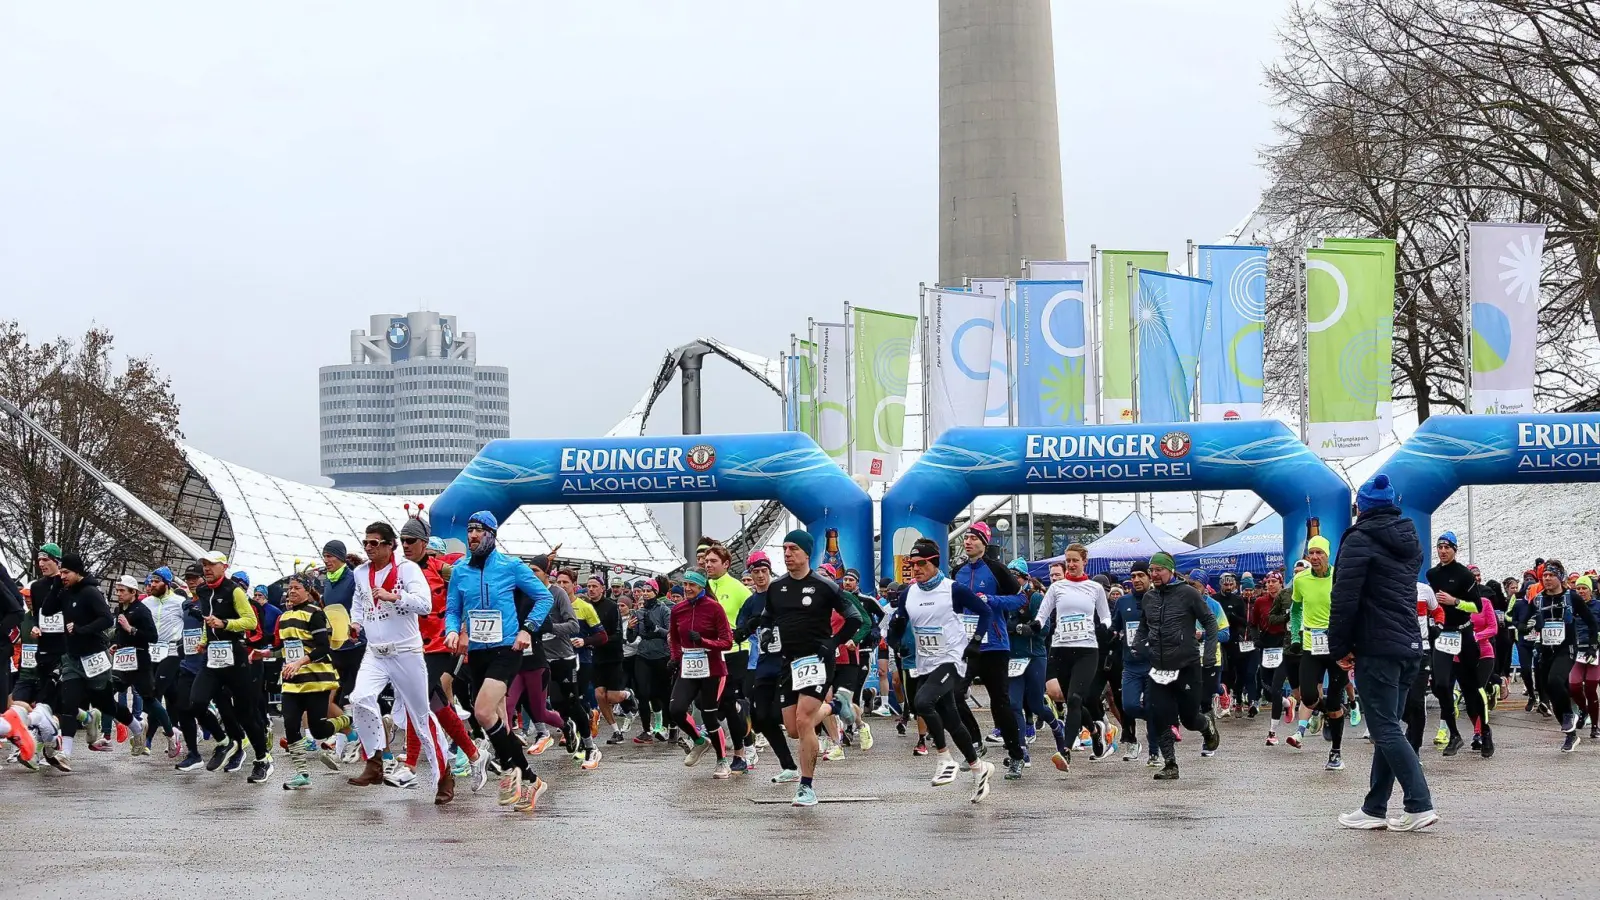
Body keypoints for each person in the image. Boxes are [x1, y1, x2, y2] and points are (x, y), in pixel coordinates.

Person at [1329, 473, 1438, 832]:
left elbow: (1345, 597)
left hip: (1376, 646)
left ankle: (1419, 804)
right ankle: (1374, 808)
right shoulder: (1410, 539)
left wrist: (1339, 646)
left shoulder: (1359, 539)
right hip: (1409, 644)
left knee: (1386, 729)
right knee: (1388, 727)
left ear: (1360, 507)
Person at [445, 511, 557, 812]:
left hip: (507, 649)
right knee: (499, 722)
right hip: (478, 653)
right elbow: (453, 609)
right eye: (469, 530)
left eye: (479, 530)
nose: (472, 535)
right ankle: (532, 780)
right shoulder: (460, 571)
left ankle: (509, 771)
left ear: (492, 535)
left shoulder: (511, 566)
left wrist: (527, 629)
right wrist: (453, 631)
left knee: (482, 712)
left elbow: (544, 598)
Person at [342, 521, 454, 802]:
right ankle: (375, 761)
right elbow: (359, 601)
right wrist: (356, 622)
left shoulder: (407, 569)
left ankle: (444, 775)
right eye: (366, 542)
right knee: (359, 698)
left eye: (375, 543)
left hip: (405, 652)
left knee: (421, 716)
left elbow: (425, 604)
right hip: (375, 652)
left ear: (390, 545)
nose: (368, 548)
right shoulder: (360, 572)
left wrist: (396, 596)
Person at [885, 537, 996, 803]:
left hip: (951, 660)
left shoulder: (952, 589)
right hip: (926, 663)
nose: (916, 569)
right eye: (912, 565)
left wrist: (976, 643)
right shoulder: (909, 593)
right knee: (951, 718)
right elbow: (896, 627)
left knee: (923, 702)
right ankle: (979, 768)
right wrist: (896, 637)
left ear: (934, 563)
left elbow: (985, 612)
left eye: (922, 563)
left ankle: (945, 759)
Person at [758, 529, 863, 806]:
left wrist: (835, 642)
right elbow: (767, 617)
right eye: (785, 548)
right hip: (788, 663)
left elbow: (855, 618)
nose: (788, 554)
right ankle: (836, 707)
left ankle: (806, 787)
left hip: (816, 661)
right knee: (793, 729)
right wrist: (767, 633)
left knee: (805, 720)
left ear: (807, 553)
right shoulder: (776, 587)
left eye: (793, 548)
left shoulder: (824, 586)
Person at [1022, 544, 1109, 775]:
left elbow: (1106, 615)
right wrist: (1035, 625)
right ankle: (1094, 729)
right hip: (1060, 649)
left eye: (1075, 561)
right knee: (1063, 697)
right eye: (1068, 560)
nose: (1071, 564)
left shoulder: (1095, 588)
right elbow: (1043, 614)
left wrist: (1106, 627)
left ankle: (1066, 750)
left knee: (1074, 698)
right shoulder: (1057, 587)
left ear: (1084, 562)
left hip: (1087, 650)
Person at [1133, 552, 1220, 780]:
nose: (1154, 575)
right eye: (1152, 571)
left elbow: (1210, 623)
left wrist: (1209, 654)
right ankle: (1170, 764)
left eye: (1158, 570)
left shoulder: (1188, 593)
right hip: (1159, 668)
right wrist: (1138, 645)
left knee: (1190, 719)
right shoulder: (1149, 597)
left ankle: (1206, 725)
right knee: (1159, 714)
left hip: (1186, 665)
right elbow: (1144, 626)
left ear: (1170, 570)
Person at [274, 571, 348, 790]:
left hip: (317, 679)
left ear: (307, 590)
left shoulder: (315, 613)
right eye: (290, 588)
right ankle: (302, 773)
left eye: (297, 588)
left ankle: (348, 721)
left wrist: (301, 662)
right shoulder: (285, 616)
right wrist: (264, 653)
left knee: (318, 730)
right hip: (291, 680)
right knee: (290, 724)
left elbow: (323, 647)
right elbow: (284, 649)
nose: (292, 591)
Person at [735, 551, 799, 781]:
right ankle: (789, 766)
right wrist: (748, 627)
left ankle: (813, 732)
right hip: (763, 664)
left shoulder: (782, 592)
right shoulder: (751, 602)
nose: (761, 576)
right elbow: (738, 633)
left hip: (786, 663)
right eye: (755, 572)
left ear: (770, 571)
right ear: (750, 574)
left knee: (777, 715)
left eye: (764, 571)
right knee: (760, 718)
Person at [1425, 531, 1489, 757]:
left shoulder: (1464, 575)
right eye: (1440, 548)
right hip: (1443, 636)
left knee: (1470, 687)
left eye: (1447, 548)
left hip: (1464, 634)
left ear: (1454, 550)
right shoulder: (1432, 574)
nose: (1443, 552)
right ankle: (1453, 734)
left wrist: (1456, 602)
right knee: (1441, 685)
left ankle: (1485, 732)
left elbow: (1478, 607)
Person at [666, 570, 735, 777]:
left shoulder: (714, 609)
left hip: (713, 668)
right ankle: (699, 741)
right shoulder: (678, 610)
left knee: (709, 715)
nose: (687, 588)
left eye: (692, 585)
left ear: (702, 587)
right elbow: (675, 638)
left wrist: (704, 642)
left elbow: (727, 642)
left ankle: (722, 761)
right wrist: (675, 658)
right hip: (689, 667)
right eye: (685, 584)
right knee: (676, 709)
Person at [1290, 536, 1348, 770]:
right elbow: (1295, 611)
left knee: (1333, 704)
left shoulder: (1340, 576)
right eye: (1310, 553)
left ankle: (1335, 753)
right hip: (1311, 644)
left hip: (1337, 645)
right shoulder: (1300, 579)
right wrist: (1295, 636)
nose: (1314, 557)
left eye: (1318, 553)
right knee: (1308, 697)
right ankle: (1334, 711)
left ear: (1327, 555)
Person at [108, 574, 174, 757]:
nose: (119, 594)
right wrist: (116, 643)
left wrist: (131, 629)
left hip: (140, 662)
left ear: (133, 592)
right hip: (123, 661)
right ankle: (131, 727)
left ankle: (170, 734)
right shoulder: (119, 609)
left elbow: (152, 637)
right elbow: (120, 634)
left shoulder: (142, 610)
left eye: (122, 591)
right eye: (117, 590)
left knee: (150, 701)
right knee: (105, 693)